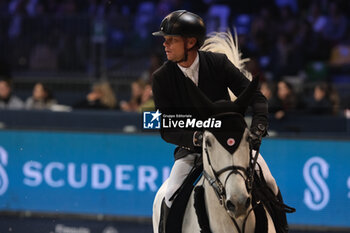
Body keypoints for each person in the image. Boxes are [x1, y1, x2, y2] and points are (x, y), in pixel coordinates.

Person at [152, 10, 290, 233]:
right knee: (170, 194)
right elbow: (165, 126)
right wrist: (196, 136)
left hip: (232, 143)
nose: (165, 45)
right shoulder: (161, 77)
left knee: (270, 182)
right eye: (165, 40)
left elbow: (256, 97)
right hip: (193, 149)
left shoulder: (217, 63)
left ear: (190, 42)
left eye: (171, 40)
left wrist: (259, 127)